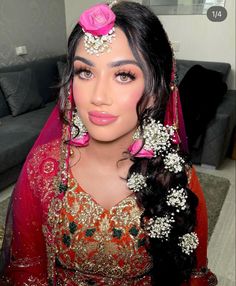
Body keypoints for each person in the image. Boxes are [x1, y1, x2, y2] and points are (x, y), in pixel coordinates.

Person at [0, 1, 218, 285]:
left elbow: (191, 274)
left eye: (123, 75)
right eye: (85, 72)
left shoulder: (176, 177)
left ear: (155, 91)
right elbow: (28, 269)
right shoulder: (44, 168)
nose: (98, 96)